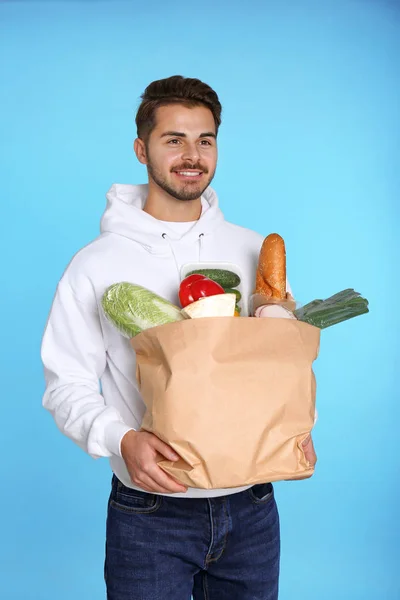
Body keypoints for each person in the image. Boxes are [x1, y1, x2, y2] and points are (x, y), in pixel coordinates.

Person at [41, 75, 316, 600]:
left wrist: (299, 427)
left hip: (253, 508)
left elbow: (280, 364)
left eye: (204, 140)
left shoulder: (253, 249)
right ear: (141, 148)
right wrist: (120, 439)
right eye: (174, 140)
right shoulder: (96, 265)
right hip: (150, 513)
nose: (192, 155)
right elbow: (66, 383)